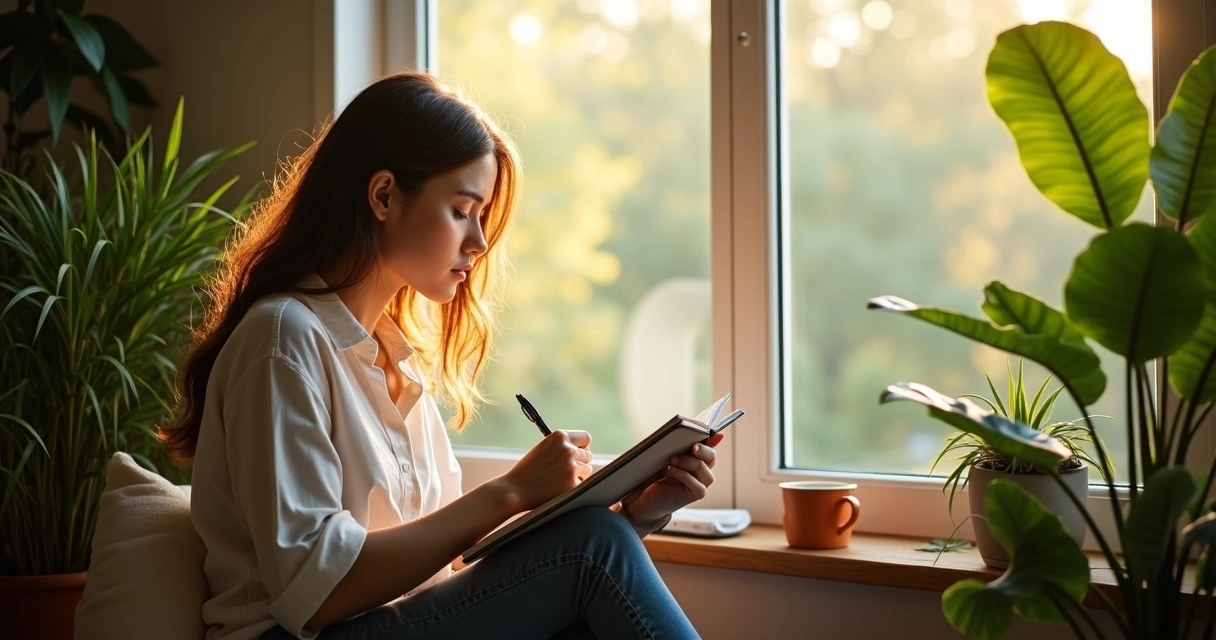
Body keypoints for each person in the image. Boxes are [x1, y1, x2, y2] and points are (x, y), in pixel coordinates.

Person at [158, 71, 722, 640]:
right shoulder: (282, 340)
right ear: (383, 196)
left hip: (391, 625)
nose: (478, 242)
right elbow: (317, 592)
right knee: (590, 548)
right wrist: (510, 491)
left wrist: (637, 514)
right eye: (461, 209)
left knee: (591, 569)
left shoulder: (394, 358)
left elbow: (447, 570)